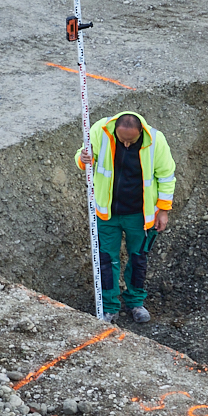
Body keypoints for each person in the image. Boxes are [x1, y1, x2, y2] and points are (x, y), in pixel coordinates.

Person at [76, 111, 176, 323]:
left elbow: (166, 177)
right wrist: (83, 158)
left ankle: (135, 302)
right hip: (106, 213)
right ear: (115, 131)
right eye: (123, 140)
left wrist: (163, 211)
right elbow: (84, 158)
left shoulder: (156, 141)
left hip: (139, 215)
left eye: (132, 140)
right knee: (106, 260)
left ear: (141, 132)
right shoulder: (100, 131)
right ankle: (109, 307)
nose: (127, 144)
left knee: (138, 259)